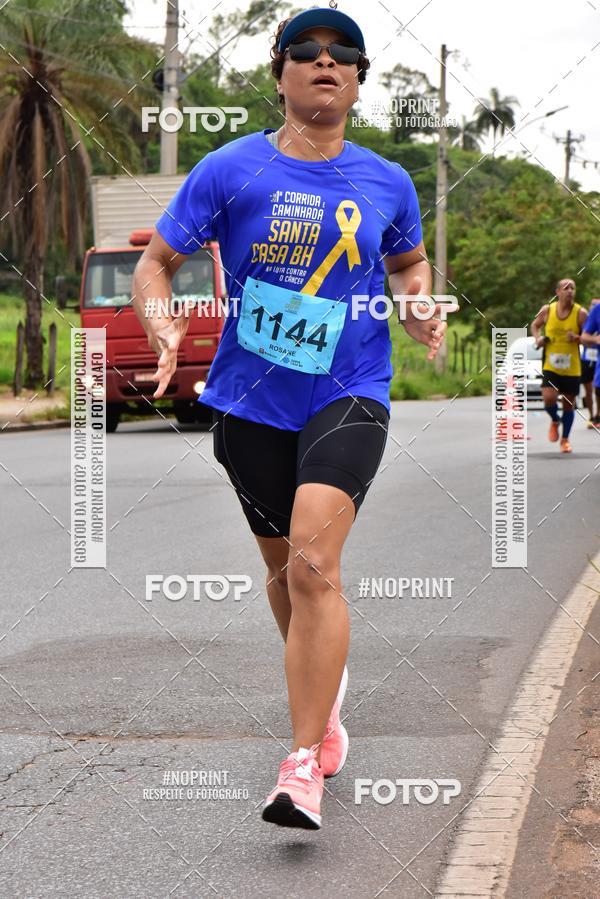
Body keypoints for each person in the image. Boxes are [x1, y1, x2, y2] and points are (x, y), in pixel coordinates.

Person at [133, 6, 452, 830]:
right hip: (249, 402)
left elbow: (410, 264)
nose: (324, 63)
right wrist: (161, 318)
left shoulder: (388, 180)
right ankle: (327, 695)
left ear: (357, 78)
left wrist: (419, 307)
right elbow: (155, 263)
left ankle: (302, 762)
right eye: (304, 53)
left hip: (351, 388)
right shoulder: (228, 170)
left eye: (342, 53)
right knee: (285, 575)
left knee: (313, 563)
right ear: (278, 73)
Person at [531, 278, 587, 453]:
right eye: (566, 288)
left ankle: (565, 440)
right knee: (549, 398)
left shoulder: (580, 313)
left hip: (572, 366)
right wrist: (538, 339)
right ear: (558, 292)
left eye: (573, 288)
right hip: (551, 365)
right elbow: (535, 325)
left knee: (568, 404)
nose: (570, 291)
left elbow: (589, 336)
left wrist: (578, 338)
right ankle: (555, 419)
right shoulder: (548, 310)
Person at [581, 297, 600, 430]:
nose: (594, 306)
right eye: (592, 304)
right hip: (588, 358)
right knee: (590, 389)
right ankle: (592, 415)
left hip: (597, 356)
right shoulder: (585, 319)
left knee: (596, 386)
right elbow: (582, 337)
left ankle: (598, 413)